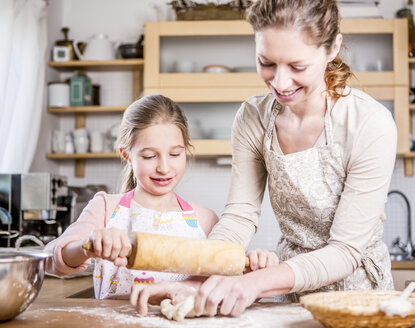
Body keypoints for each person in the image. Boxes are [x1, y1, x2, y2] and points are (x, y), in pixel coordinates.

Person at [131, 0, 397, 317]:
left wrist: (254, 283)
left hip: (358, 297)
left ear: (332, 48)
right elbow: (239, 218)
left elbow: (345, 251)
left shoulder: (370, 124)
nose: (280, 83)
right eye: (266, 62)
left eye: (297, 67)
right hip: (289, 290)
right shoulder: (253, 118)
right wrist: (197, 281)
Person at [45, 94, 264, 299]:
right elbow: (51, 259)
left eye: (175, 154)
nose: (164, 167)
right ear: (127, 156)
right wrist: (88, 244)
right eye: (150, 156)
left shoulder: (204, 220)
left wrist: (255, 266)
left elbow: (227, 280)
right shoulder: (106, 208)